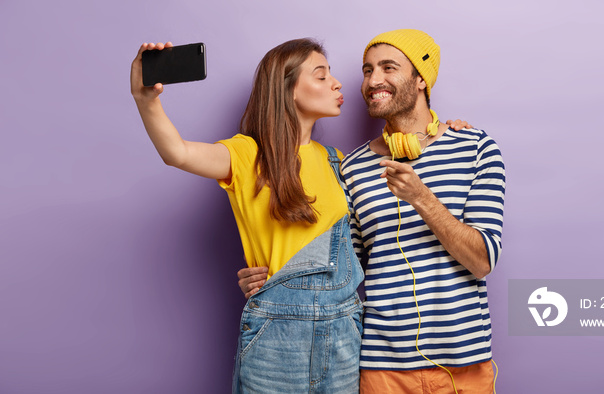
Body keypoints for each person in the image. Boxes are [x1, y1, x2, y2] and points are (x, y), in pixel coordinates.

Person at [239, 29, 506, 393]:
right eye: (367, 70)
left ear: (421, 79)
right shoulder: (352, 168)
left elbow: (482, 260)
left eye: (388, 67)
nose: (372, 80)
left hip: (464, 365)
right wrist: (277, 283)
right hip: (381, 369)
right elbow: (343, 267)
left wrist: (421, 198)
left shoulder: (477, 148)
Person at [130, 39, 364, 393]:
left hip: (344, 334)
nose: (336, 83)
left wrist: (443, 128)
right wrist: (146, 99)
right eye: (321, 75)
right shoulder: (247, 154)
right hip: (276, 338)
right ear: (288, 89)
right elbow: (176, 152)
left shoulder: (338, 161)